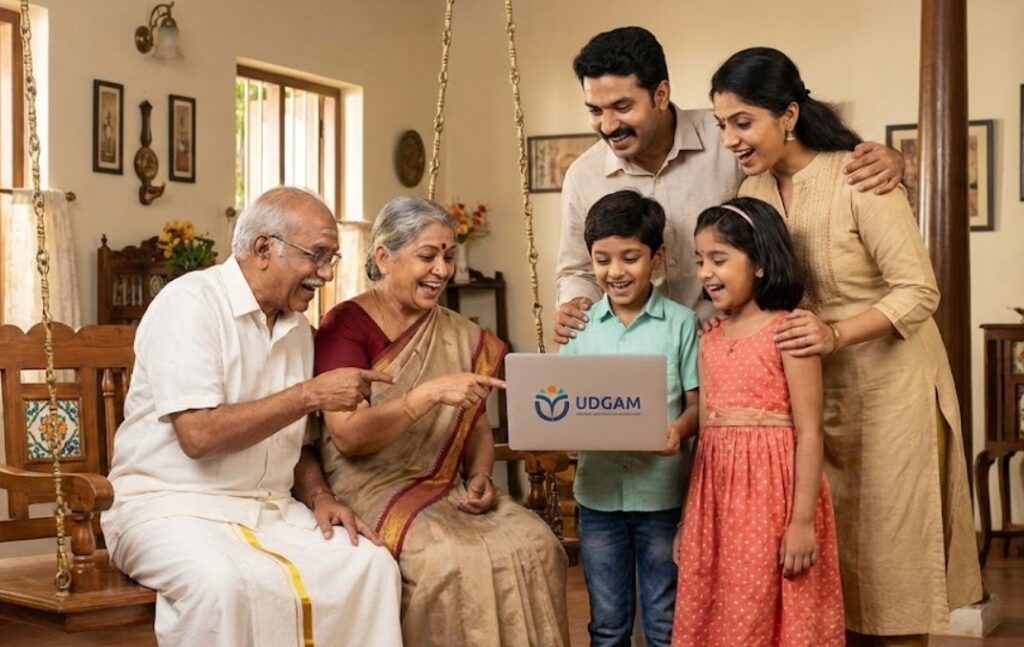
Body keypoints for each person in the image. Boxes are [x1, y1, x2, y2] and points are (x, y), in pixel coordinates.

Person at [711, 47, 982, 645]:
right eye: (721, 124)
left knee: (892, 557)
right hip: (814, 389)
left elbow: (919, 291)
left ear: (788, 113)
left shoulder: (859, 174)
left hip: (895, 387)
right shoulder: (752, 183)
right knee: (832, 554)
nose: (730, 137)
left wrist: (835, 333)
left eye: (742, 120)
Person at [102, 187, 403, 647]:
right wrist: (307, 394)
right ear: (264, 249)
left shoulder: (297, 329)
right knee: (222, 585)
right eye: (317, 255)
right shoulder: (190, 304)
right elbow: (198, 435)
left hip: (269, 512)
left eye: (332, 259)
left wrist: (321, 496)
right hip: (169, 508)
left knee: (370, 566)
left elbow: (297, 445)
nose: (325, 273)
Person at [310, 196, 570, 646]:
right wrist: (427, 394)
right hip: (370, 484)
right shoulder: (347, 326)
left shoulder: (460, 333)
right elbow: (348, 437)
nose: (442, 269)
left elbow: (478, 431)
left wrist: (482, 476)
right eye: (427, 255)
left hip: (447, 485)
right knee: (448, 560)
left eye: (448, 256)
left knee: (538, 545)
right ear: (384, 257)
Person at [555, 26, 905, 341]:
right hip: (643, 356)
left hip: (733, 347)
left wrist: (892, 159)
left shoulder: (728, 139)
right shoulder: (583, 176)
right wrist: (575, 301)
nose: (608, 125)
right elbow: (576, 269)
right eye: (595, 111)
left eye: (622, 106)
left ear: (661, 94)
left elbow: (803, 161)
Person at [672, 198, 844, 646]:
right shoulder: (708, 338)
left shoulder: (788, 332)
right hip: (715, 501)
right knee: (718, 607)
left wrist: (802, 521)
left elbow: (809, 431)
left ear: (762, 264)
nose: (705, 273)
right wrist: (688, 521)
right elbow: (707, 433)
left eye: (719, 259)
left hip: (773, 501)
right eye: (699, 260)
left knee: (762, 608)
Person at [559, 190, 700, 647]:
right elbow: (564, 404)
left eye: (630, 257)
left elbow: (697, 404)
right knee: (607, 623)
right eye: (602, 260)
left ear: (657, 257)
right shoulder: (578, 328)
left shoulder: (681, 324)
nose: (615, 272)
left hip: (662, 498)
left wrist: (679, 428)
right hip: (597, 499)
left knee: (663, 620)